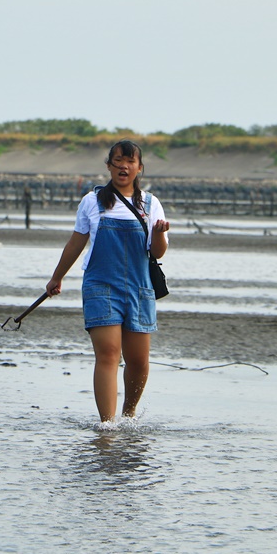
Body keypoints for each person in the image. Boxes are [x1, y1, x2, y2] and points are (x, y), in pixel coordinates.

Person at [46, 140, 170, 424]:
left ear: (139, 168)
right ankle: (108, 425)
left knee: (138, 361)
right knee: (108, 354)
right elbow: (77, 242)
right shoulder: (92, 201)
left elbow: (157, 252)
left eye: (130, 162)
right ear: (109, 165)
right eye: (117, 161)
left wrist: (160, 233)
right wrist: (57, 277)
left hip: (139, 288)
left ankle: (129, 415)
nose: (123, 166)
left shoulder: (151, 204)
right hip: (100, 286)